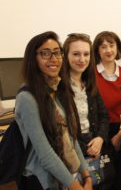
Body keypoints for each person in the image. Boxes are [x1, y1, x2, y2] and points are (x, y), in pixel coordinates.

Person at [15, 31, 92, 190]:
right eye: (45, 53)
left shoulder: (57, 90)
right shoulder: (27, 98)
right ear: (33, 58)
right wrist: (74, 186)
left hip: (66, 176)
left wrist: (86, 174)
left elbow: (71, 139)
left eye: (57, 53)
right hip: (42, 181)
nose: (54, 58)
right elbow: (45, 154)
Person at [63, 33, 110, 188]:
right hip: (71, 153)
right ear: (66, 55)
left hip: (93, 148)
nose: (82, 60)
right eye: (76, 54)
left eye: (86, 54)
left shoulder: (89, 83)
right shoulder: (59, 88)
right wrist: (86, 148)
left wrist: (100, 139)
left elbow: (104, 116)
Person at [93, 31, 121, 190]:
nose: (108, 50)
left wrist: (120, 134)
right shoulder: (90, 73)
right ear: (97, 50)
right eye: (103, 47)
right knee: (99, 175)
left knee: (117, 173)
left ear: (117, 48)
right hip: (96, 132)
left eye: (111, 45)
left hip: (119, 130)